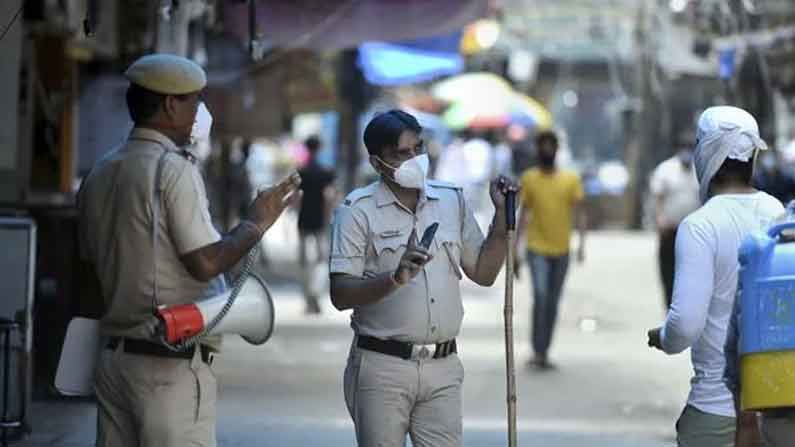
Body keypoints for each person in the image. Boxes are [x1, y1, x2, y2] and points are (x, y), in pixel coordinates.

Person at [77, 54, 301, 447]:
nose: (201, 111)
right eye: (196, 101)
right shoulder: (172, 168)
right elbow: (205, 262)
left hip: (114, 361)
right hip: (165, 369)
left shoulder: (101, 171)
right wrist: (255, 224)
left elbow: (87, 270)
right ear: (169, 104)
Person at [328, 110, 516, 447]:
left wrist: (502, 217)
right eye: (401, 154)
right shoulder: (356, 211)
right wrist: (395, 279)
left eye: (418, 149)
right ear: (376, 162)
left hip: (443, 368)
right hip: (382, 367)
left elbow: (485, 273)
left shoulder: (450, 201)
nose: (414, 159)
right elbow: (340, 294)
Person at [647, 106, 783, 447]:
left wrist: (662, 337)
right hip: (776, 406)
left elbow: (686, 325)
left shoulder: (700, 226)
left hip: (716, 409)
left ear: (705, 154)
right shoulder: (776, 213)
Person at [515, 129, 586, 370]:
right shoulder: (529, 179)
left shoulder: (570, 179)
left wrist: (582, 244)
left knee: (553, 302)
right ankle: (537, 349)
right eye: (542, 146)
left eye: (550, 146)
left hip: (562, 249)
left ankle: (544, 351)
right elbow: (523, 214)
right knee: (541, 297)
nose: (546, 151)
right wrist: (515, 249)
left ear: (556, 150)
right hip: (536, 248)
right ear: (537, 150)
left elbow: (579, 212)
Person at [649, 140, 700, 309]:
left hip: (694, 233)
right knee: (669, 275)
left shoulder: (699, 171)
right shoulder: (666, 170)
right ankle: (670, 312)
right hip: (670, 231)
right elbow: (658, 198)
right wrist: (660, 220)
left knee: (692, 277)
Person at [297, 135, 336, 314]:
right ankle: (315, 295)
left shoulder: (301, 171)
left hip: (304, 219)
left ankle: (308, 298)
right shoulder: (325, 172)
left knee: (304, 262)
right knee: (321, 260)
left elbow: (297, 198)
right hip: (320, 221)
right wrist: (328, 217)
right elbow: (329, 197)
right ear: (319, 148)